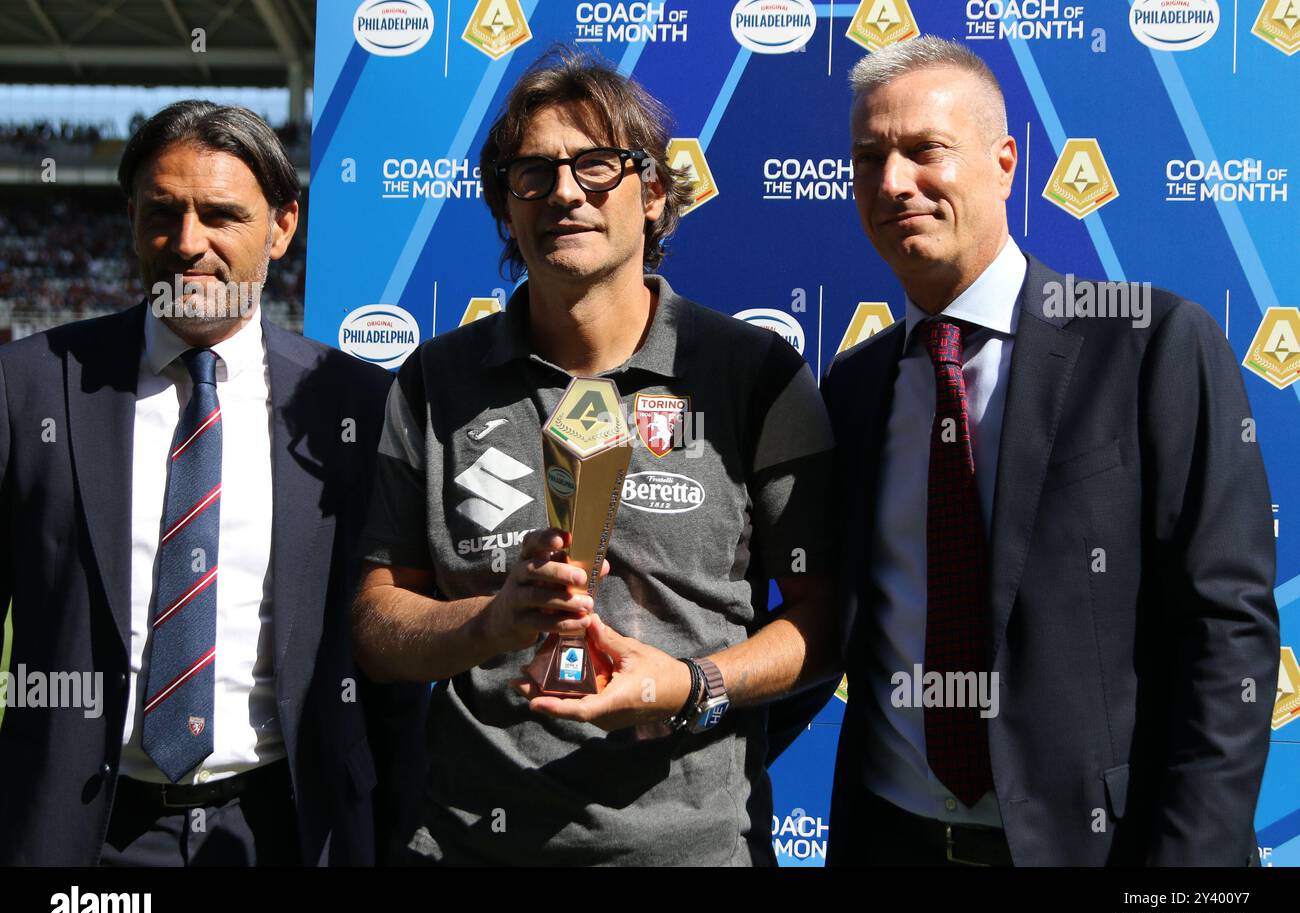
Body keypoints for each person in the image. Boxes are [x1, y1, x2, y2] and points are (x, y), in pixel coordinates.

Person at [351, 50, 838, 865]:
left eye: (596, 165)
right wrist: (490, 622)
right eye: (532, 173)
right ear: (505, 208)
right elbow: (376, 620)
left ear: (653, 194)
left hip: (692, 852)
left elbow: (826, 620)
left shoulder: (755, 377)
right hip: (469, 845)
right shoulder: (435, 383)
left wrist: (692, 686)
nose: (565, 192)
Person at [823, 37, 1280, 866]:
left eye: (925, 151)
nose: (893, 184)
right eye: (869, 158)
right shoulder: (854, 390)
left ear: (1004, 163)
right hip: (892, 842)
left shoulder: (1152, 344)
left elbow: (1225, 633)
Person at [0, 100, 423, 866]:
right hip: (81, 835)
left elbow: (386, 657)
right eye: (162, 213)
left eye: (221, 215)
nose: (187, 244)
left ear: (282, 227)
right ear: (131, 218)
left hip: (286, 828)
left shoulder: (352, 402)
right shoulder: (28, 386)